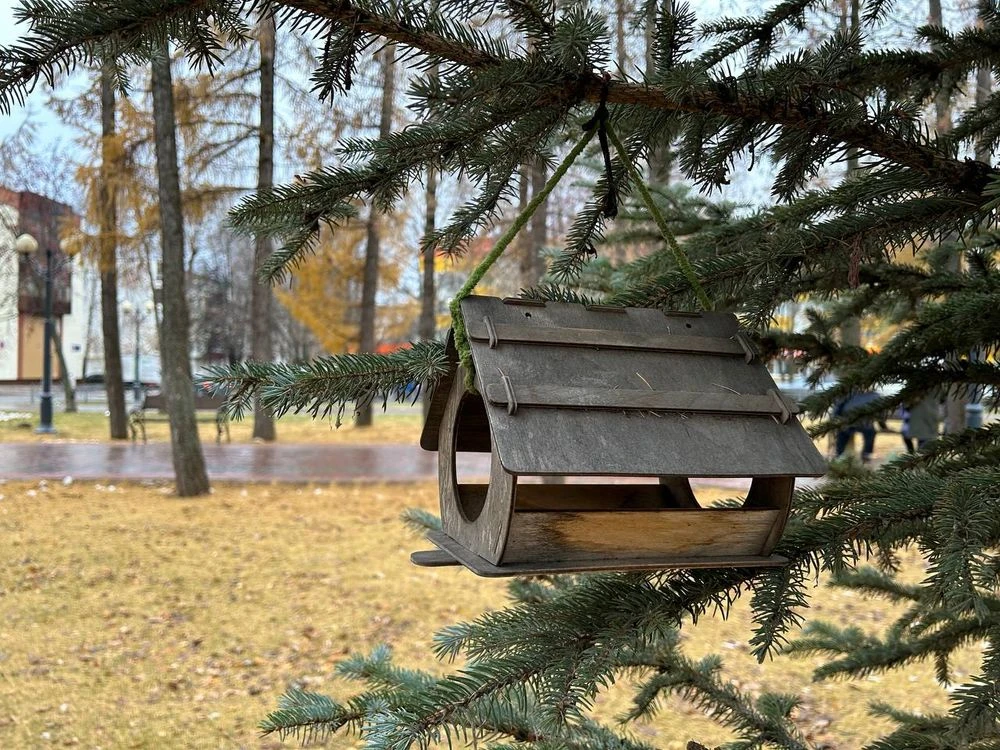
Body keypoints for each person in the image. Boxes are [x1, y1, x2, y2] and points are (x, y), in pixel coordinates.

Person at [833, 390, 881, 463]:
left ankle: (866, 455)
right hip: (848, 422)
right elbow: (838, 409)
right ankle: (840, 454)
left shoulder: (874, 395)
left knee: (870, 432)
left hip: (864, 423)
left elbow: (880, 412)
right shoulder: (849, 394)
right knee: (842, 432)